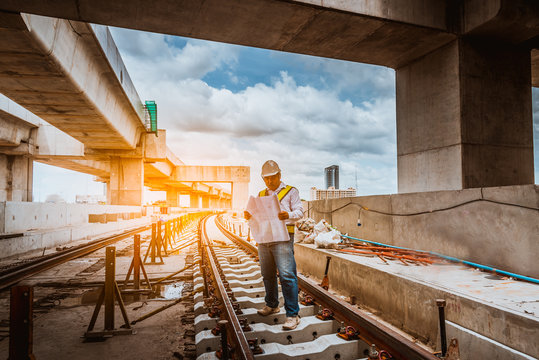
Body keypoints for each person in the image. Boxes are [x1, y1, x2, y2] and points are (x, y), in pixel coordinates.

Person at [244, 160, 304, 330]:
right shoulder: (261, 194)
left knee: (286, 275)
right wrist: (249, 215)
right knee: (267, 274)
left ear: (279, 175)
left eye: (272, 177)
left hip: (283, 238)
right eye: (266, 179)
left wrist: (288, 215)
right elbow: (257, 215)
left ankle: (293, 315)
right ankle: (272, 305)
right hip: (264, 239)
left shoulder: (291, 192)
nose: (269, 181)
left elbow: (300, 212)